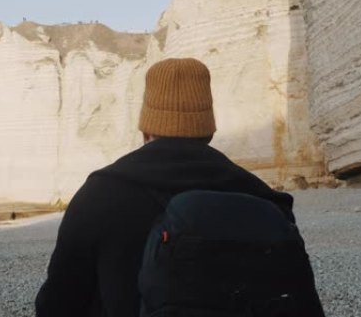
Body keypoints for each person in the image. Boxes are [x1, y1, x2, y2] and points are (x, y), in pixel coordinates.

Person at [35, 57, 321, 317]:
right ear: (208, 130)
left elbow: (57, 302)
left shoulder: (100, 194)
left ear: (146, 128)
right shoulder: (261, 196)